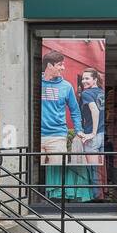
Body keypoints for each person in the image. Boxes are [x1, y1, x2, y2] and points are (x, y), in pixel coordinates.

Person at [38, 51, 79, 200]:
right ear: (49, 65)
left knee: (59, 173)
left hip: (57, 136)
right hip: (37, 136)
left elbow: (75, 110)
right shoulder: (36, 83)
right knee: (36, 173)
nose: (63, 68)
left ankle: (58, 205)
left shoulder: (66, 86)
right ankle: (38, 201)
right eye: (60, 64)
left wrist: (78, 130)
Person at [70, 68, 105, 201]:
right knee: (99, 169)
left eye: (87, 78)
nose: (84, 81)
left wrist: (92, 133)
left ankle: (96, 199)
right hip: (102, 135)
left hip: (94, 136)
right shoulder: (102, 93)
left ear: (95, 79)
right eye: (83, 78)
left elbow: (95, 111)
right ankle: (102, 194)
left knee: (93, 169)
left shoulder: (86, 94)